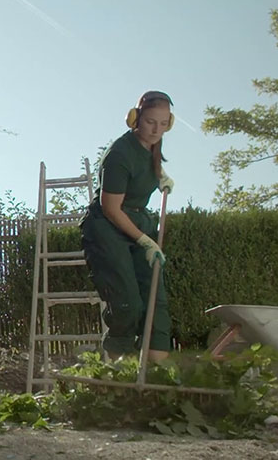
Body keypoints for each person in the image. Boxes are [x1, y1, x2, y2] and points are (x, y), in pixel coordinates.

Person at [79, 90, 176, 363]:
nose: (156, 130)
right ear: (135, 119)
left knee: (155, 298)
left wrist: (160, 175)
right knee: (127, 303)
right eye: (150, 122)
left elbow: (145, 165)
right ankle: (118, 373)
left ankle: (157, 375)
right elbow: (111, 208)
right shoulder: (119, 154)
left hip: (137, 220)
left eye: (163, 123)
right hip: (107, 228)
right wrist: (144, 240)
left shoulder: (152, 146)